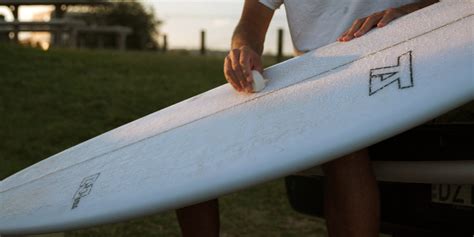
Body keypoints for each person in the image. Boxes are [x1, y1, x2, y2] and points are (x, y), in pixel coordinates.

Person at [176, 1, 438, 236]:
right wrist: (242, 50)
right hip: (314, 83)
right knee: (191, 144)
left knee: (341, 142)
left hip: (403, 63)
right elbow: (249, 26)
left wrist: (409, 12)